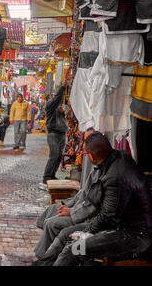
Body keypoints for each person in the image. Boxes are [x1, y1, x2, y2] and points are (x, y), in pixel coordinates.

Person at [51, 132, 152, 266]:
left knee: (74, 248)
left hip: (135, 235)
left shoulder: (115, 176)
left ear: (91, 156)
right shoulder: (119, 156)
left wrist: (86, 232)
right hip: (122, 226)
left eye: (86, 154)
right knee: (66, 235)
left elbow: (109, 216)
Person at [33, 129, 108, 260]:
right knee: (52, 209)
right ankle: (47, 247)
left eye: (86, 144)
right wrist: (66, 204)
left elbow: (93, 206)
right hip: (82, 208)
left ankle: (45, 256)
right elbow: (82, 194)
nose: (84, 148)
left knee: (52, 223)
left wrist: (71, 211)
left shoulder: (104, 173)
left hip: (89, 217)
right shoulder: (98, 168)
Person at [41, 85, 68, 189]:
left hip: (61, 133)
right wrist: (62, 88)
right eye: (52, 96)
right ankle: (46, 177)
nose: (54, 97)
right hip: (53, 133)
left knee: (59, 156)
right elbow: (56, 100)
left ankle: (52, 175)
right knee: (54, 155)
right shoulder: (49, 105)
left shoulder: (59, 107)